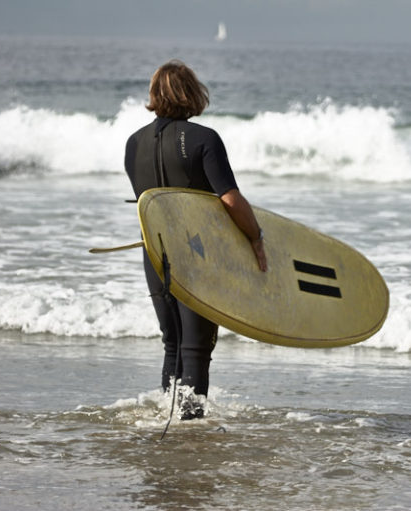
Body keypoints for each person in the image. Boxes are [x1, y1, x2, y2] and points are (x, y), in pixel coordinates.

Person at [124, 60, 267, 420]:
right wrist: (256, 236)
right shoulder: (204, 139)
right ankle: (190, 426)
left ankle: (170, 415)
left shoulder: (133, 144)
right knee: (195, 346)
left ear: (155, 94)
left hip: (153, 252)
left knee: (172, 343)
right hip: (196, 255)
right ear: (192, 93)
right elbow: (230, 200)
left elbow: (150, 202)